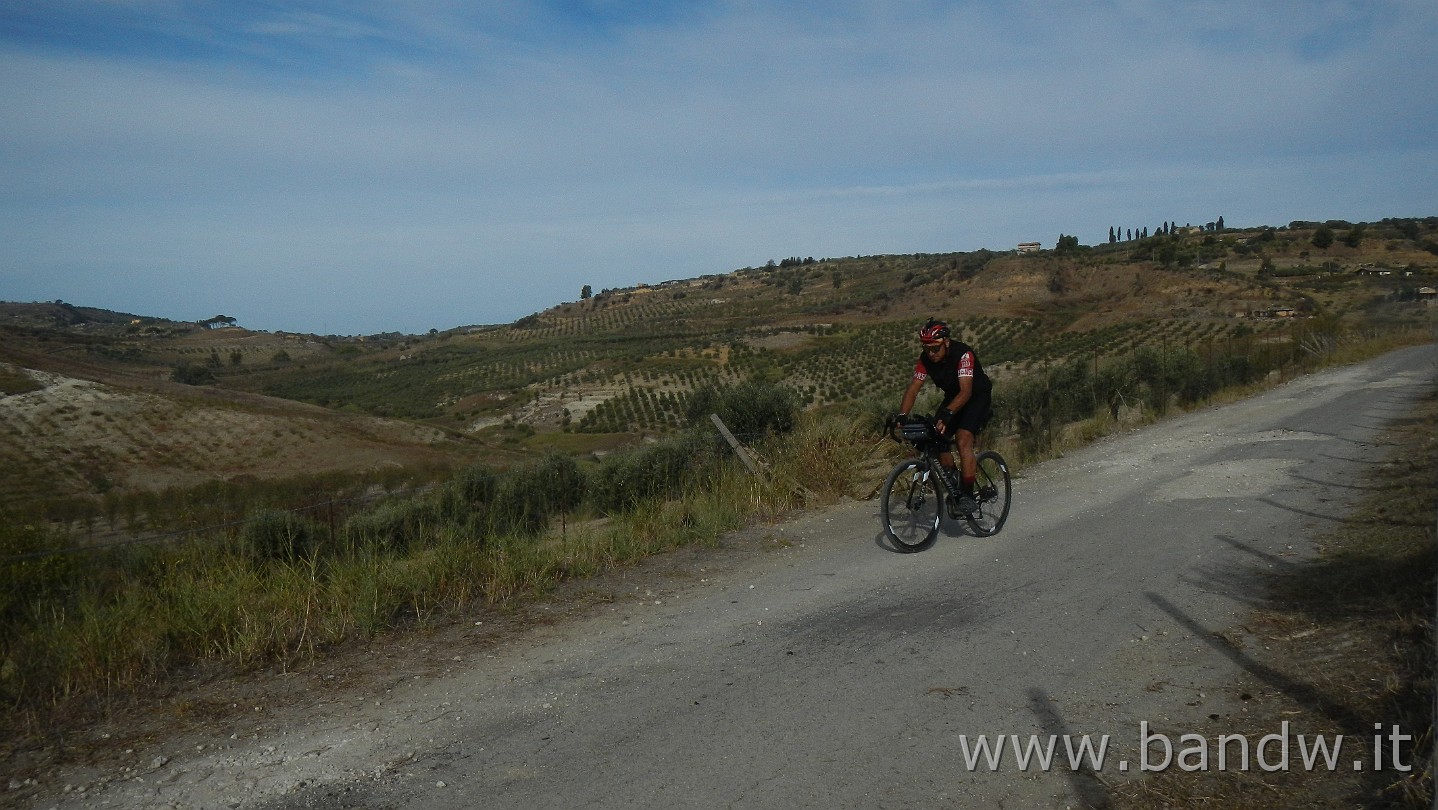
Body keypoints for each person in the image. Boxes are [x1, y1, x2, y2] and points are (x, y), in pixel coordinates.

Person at [896, 318, 993, 513]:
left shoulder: (963, 354)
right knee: (935, 436)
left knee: (963, 438)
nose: (931, 354)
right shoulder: (925, 359)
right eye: (927, 348)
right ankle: (954, 480)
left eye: (935, 349)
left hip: (976, 396)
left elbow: (966, 392)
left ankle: (966, 495)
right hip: (953, 397)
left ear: (946, 342)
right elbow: (914, 388)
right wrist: (902, 415)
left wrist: (949, 413)